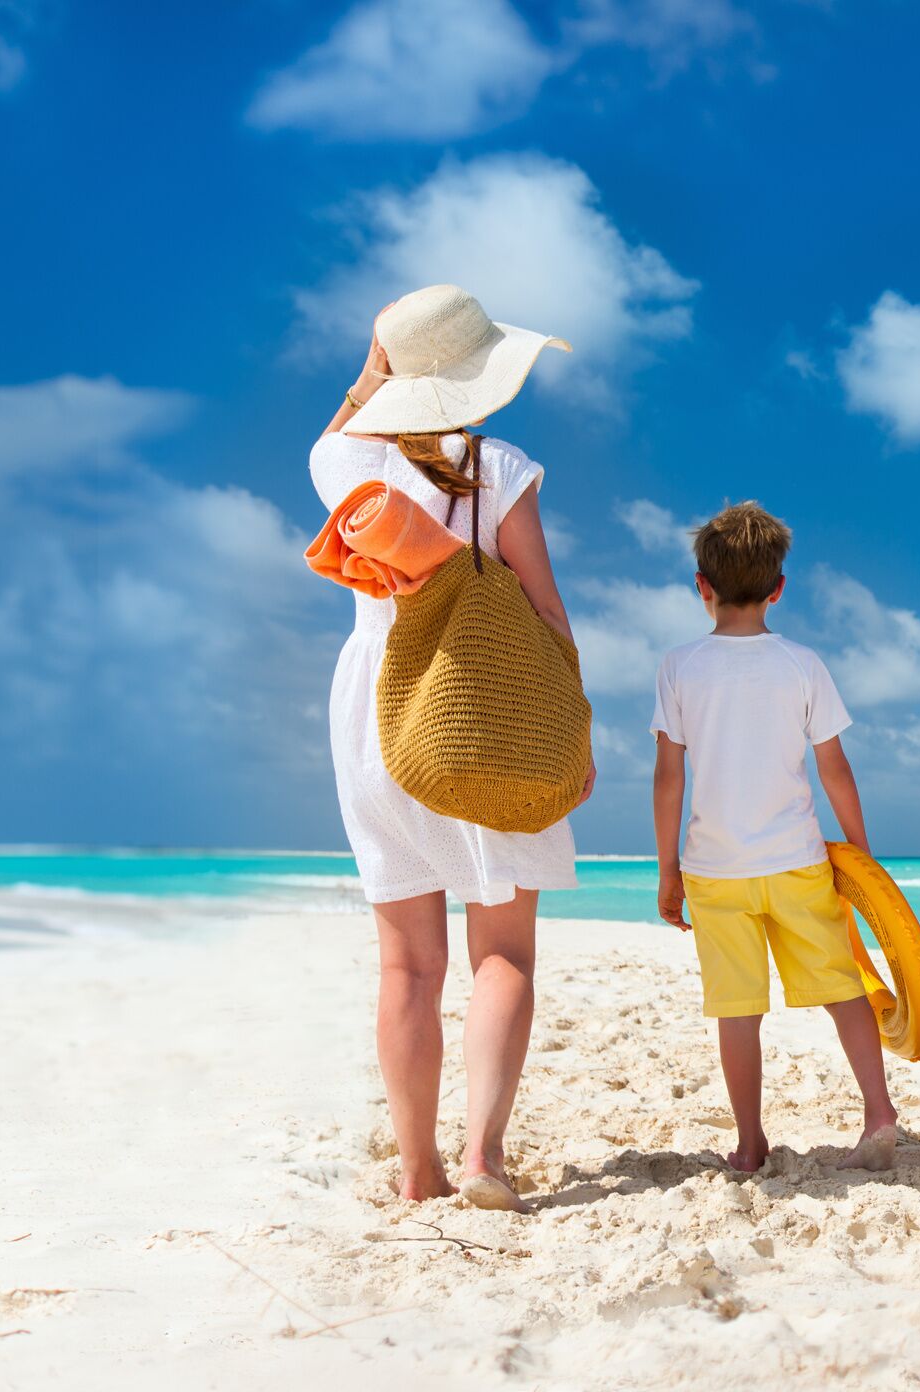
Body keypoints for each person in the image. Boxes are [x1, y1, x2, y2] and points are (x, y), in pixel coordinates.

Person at [310, 284, 594, 1212]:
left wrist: (373, 368)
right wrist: (571, 727)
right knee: (502, 952)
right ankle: (482, 1158)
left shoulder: (348, 465)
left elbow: (339, 426)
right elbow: (544, 608)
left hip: (378, 709)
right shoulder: (501, 467)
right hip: (486, 705)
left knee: (406, 963)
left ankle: (416, 1168)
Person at [648, 502, 903, 1174]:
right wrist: (862, 855)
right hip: (796, 859)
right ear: (778, 588)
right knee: (842, 987)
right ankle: (879, 1115)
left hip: (714, 868)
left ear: (700, 586)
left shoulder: (679, 666)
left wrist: (667, 870)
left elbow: (668, 777)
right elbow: (835, 767)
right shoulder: (802, 664)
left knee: (737, 1011)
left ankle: (751, 1140)